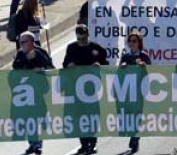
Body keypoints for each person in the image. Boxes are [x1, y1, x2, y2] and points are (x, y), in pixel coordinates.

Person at [63, 24, 109, 155]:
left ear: (88, 35)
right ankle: (83, 144)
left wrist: (99, 65)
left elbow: (106, 64)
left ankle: (92, 143)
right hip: (75, 88)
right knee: (79, 117)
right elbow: (65, 64)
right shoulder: (71, 48)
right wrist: (69, 65)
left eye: (84, 38)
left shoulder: (96, 48)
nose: (81, 41)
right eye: (79, 38)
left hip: (91, 89)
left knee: (92, 116)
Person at [13, 31, 54, 155]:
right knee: (29, 119)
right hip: (25, 92)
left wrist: (41, 69)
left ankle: (38, 143)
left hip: (38, 90)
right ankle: (33, 144)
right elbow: (16, 67)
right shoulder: (20, 54)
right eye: (20, 42)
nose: (21, 44)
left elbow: (51, 67)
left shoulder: (41, 52)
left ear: (31, 41)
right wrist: (26, 59)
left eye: (24, 42)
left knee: (38, 117)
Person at [119, 31, 152, 154]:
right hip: (127, 90)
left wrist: (144, 65)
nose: (132, 43)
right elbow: (119, 73)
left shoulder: (144, 55)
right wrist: (121, 67)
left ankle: (135, 137)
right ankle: (133, 134)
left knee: (137, 115)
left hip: (140, 90)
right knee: (128, 115)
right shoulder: (126, 56)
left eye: (135, 41)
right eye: (130, 41)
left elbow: (153, 70)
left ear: (139, 43)